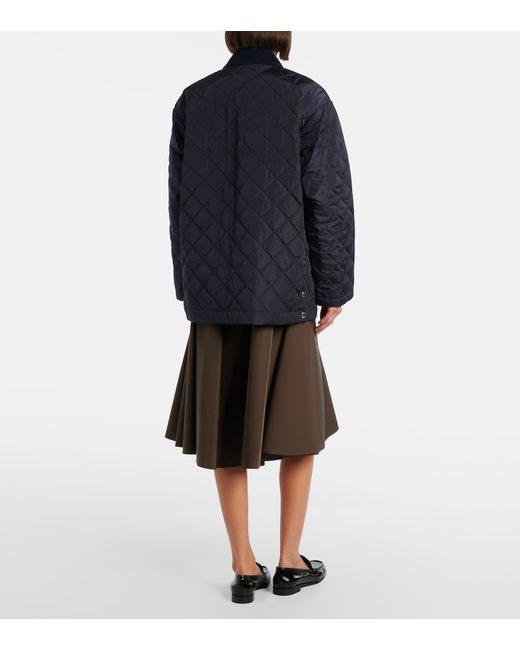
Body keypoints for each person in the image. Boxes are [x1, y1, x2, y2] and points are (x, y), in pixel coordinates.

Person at [165, 31, 355, 604]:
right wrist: (334, 286)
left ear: (232, 35)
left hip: (213, 297)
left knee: (225, 430)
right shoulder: (305, 97)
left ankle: (244, 565)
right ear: (282, 35)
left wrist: (189, 288)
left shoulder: (194, 99)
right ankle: (290, 562)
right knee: (300, 430)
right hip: (285, 289)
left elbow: (178, 203)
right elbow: (328, 199)